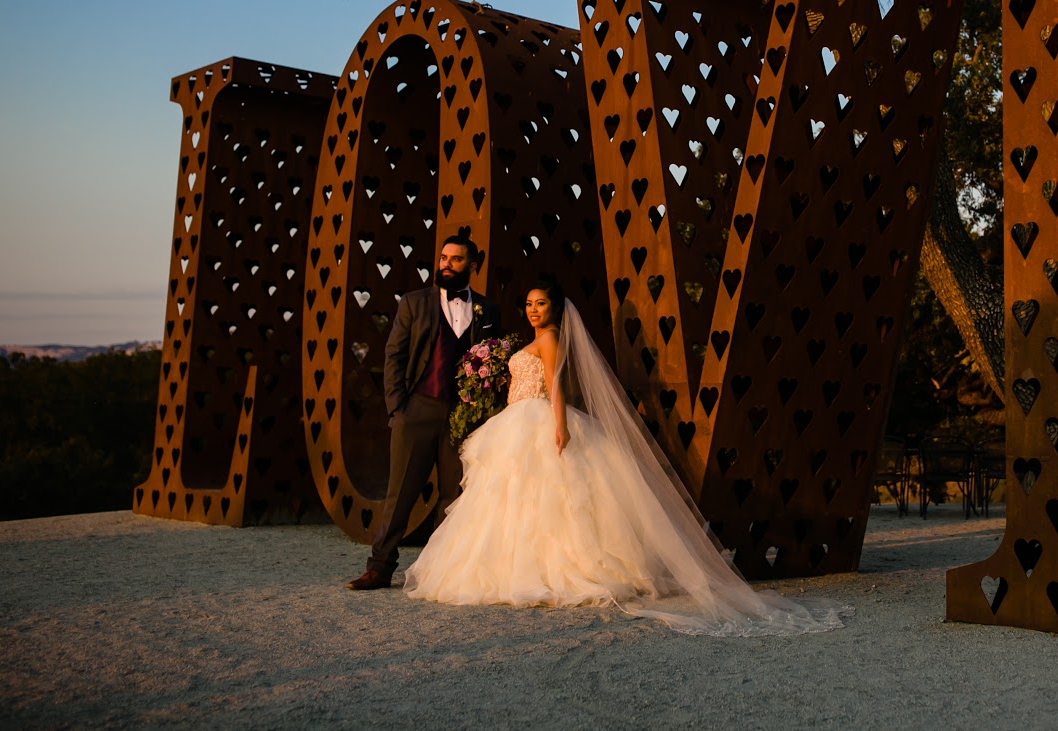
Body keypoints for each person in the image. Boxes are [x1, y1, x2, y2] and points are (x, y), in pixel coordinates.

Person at [402, 277, 843, 636]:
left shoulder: (551, 338)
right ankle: (511, 566)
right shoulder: (532, 339)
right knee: (516, 497)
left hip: (537, 416)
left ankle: (550, 570)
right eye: (530, 304)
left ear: (555, 309)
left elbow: (555, 383)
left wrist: (559, 424)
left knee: (548, 497)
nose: (534, 310)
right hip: (516, 417)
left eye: (541, 304)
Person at [347, 233, 501, 590]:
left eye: (455, 260)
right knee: (400, 493)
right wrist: (398, 409)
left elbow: (491, 360)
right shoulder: (414, 303)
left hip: (462, 416)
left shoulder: (488, 310)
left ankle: (440, 573)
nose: (446, 264)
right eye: (443, 258)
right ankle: (379, 568)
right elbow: (394, 356)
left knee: (454, 495)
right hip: (417, 409)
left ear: (472, 266)